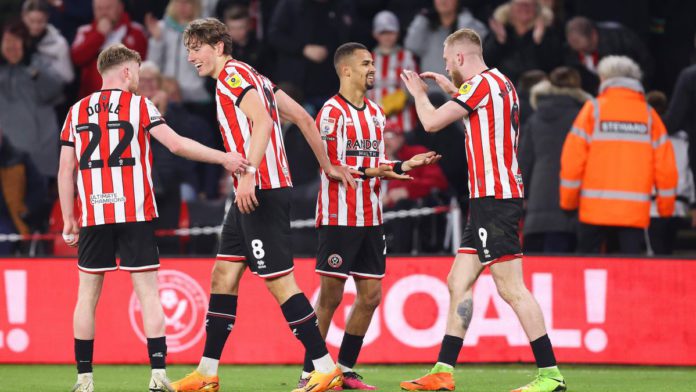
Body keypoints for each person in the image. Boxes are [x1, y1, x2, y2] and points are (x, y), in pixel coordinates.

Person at [171, 18, 355, 392]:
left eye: (196, 48)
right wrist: (327, 164)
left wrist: (250, 173)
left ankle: (324, 367)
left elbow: (263, 122)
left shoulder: (232, 77)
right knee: (223, 275)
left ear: (219, 46)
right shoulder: (257, 77)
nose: (191, 57)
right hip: (252, 191)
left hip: (261, 191)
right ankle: (207, 373)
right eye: (188, 49)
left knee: (279, 281)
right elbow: (303, 116)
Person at [57, 43, 247, 392]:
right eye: (138, 73)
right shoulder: (139, 105)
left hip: (95, 213)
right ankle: (158, 374)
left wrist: (70, 217)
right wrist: (223, 158)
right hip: (133, 211)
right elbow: (175, 145)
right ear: (127, 71)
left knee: (86, 296)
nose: (139, 80)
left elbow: (65, 169)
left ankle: (84, 379)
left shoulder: (76, 111)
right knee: (147, 293)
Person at [399, 28, 566, 392]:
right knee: (458, 281)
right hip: (488, 198)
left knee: (512, 288)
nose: (446, 65)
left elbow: (430, 123)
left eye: (447, 60)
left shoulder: (480, 86)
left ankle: (550, 374)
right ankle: (443, 371)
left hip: (495, 197)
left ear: (460, 57)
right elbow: (479, 112)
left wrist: (418, 95)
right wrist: (451, 90)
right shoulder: (500, 83)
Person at [296, 42, 441, 390]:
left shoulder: (376, 113)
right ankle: (310, 373)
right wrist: (388, 168)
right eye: (365, 64)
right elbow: (334, 167)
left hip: (371, 218)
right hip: (339, 217)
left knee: (371, 296)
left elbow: (374, 166)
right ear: (346, 70)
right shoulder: (331, 113)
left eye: (373, 63)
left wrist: (400, 166)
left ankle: (344, 370)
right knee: (329, 297)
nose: (372, 69)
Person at [559, 56, 677, 255]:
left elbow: (572, 160)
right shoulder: (649, 116)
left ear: (604, 78)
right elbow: (666, 168)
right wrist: (666, 209)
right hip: (633, 213)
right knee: (629, 275)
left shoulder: (592, 110)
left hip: (593, 212)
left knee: (586, 272)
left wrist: (568, 202)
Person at [518, 67, 590, 253]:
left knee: (536, 271)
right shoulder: (582, 118)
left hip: (537, 205)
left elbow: (524, 162)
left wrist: (522, 197)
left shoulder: (535, 118)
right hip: (570, 207)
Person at [0, 20, 63, 180]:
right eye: (7, 41)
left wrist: (32, 69)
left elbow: (55, 90)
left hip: (42, 149)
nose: (11, 47)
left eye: (16, 41)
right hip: (10, 153)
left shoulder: (37, 63)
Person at [383, 127, 449, 253]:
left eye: (390, 135)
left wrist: (408, 190)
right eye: (382, 136)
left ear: (402, 138)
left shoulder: (417, 154)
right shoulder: (374, 160)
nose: (386, 140)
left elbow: (438, 182)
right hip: (379, 213)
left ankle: (400, 256)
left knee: (402, 206)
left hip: (412, 212)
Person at [404, 0, 487, 93]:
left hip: (461, 90)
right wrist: (422, 17)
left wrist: (464, 16)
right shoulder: (426, 27)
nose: (443, 1)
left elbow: (472, 45)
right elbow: (412, 46)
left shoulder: (470, 23)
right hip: (431, 91)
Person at [71, 0, 147, 98]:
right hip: (93, 100)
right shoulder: (85, 31)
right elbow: (77, 58)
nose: (104, 13)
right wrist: (99, 35)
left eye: (108, 8)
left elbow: (143, 62)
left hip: (128, 98)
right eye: (99, 9)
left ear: (120, 7)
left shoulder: (136, 31)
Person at [144, 0, 211, 108]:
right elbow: (153, 66)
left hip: (195, 97)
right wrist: (157, 41)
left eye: (187, 3)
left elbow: (203, 69)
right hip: (168, 95)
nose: (182, 6)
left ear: (195, 6)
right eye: (179, 2)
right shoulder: (162, 27)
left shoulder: (204, 31)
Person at [564, 16, 654, 94]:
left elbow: (646, 64)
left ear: (594, 35)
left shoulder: (620, 40)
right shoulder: (571, 51)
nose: (582, 53)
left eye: (585, 49)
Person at [483, 0, 562, 84]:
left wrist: (539, 41)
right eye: (520, 5)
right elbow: (486, 61)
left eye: (529, 5)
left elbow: (553, 65)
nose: (524, 8)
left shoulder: (547, 32)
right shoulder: (499, 30)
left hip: (536, 86)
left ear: (536, 9)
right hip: (504, 87)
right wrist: (499, 40)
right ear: (510, 9)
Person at [369, 10, 419, 134]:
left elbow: (417, 90)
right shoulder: (368, 59)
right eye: (383, 32)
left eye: (391, 32)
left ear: (397, 33)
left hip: (404, 126)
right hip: (375, 126)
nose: (387, 36)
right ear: (375, 34)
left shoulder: (407, 56)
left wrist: (401, 99)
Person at [21, 0, 74, 84]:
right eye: (31, 21)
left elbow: (68, 77)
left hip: (50, 91)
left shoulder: (58, 43)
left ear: (47, 18)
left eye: (40, 21)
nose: (35, 26)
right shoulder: (16, 40)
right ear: (23, 17)